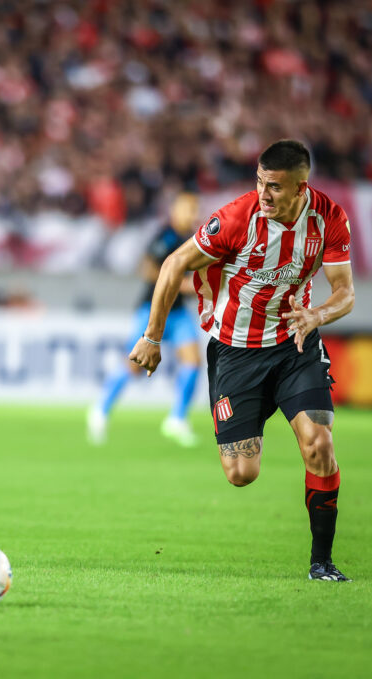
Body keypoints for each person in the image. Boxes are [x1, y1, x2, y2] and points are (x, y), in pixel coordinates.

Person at [129, 140, 354, 581]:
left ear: (300, 187)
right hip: (235, 351)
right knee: (240, 473)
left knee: (320, 445)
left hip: (295, 343)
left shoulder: (329, 218)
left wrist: (317, 314)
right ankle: (260, 407)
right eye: (259, 182)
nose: (264, 194)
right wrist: (151, 337)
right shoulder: (237, 219)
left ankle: (322, 562)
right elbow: (173, 264)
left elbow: (345, 291)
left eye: (274, 186)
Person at [88, 192, 202, 447]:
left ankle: (177, 419)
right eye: (188, 209)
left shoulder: (192, 239)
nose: (193, 215)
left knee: (193, 361)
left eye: (195, 210)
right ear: (174, 211)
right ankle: (100, 409)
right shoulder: (166, 236)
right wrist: (182, 285)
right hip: (153, 309)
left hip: (179, 311)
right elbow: (148, 268)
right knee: (135, 366)